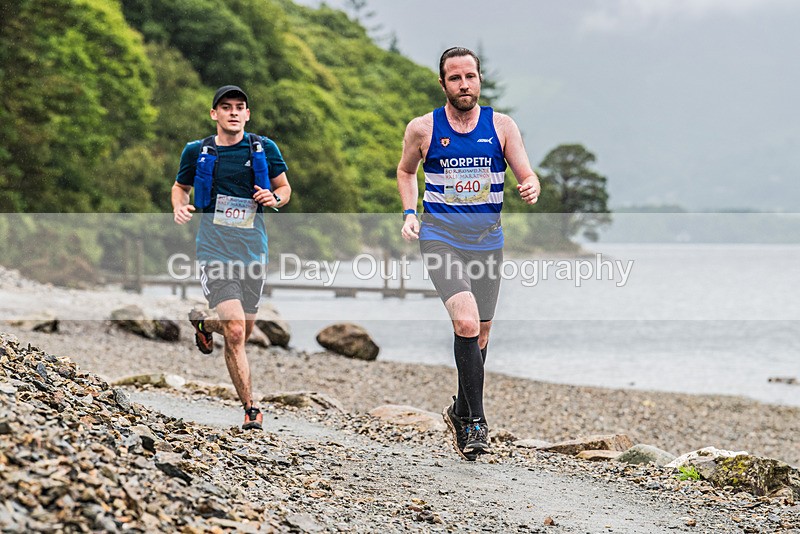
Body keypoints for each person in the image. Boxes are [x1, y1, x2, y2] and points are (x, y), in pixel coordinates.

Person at [397, 48, 540, 460]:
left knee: (482, 332)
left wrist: (531, 185)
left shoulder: (502, 126)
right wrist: (410, 213)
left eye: (471, 76)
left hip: (487, 240)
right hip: (440, 236)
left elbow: (525, 172)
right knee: (465, 321)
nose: (464, 85)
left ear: (480, 80)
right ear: (443, 83)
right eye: (455, 78)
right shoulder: (423, 129)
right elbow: (406, 171)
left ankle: (459, 410)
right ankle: (476, 421)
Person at [172, 85, 291, 431]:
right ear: (214, 114)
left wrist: (275, 198)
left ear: (248, 114)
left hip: (253, 252)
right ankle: (251, 409)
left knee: (243, 330)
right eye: (226, 107)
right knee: (236, 332)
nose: (234, 112)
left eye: (240, 107)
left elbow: (284, 188)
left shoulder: (264, 148)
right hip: (214, 251)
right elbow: (180, 187)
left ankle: (203, 325)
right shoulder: (197, 151)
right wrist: (180, 206)